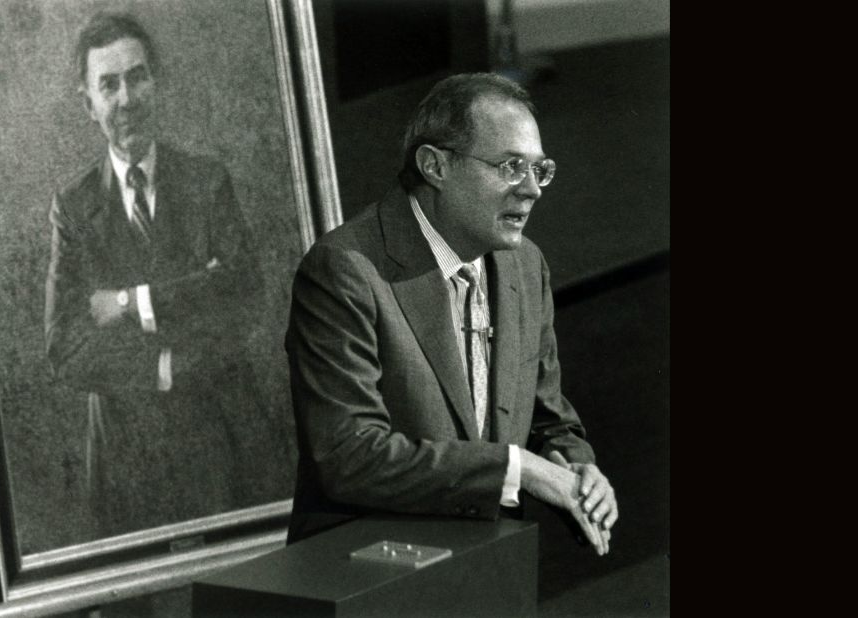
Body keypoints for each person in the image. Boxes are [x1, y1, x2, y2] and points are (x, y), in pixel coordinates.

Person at [285, 72, 618, 555]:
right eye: (509, 167)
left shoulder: (525, 265)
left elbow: (549, 419)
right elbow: (351, 456)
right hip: (370, 575)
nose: (532, 190)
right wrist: (518, 468)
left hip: (483, 570)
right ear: (434, 166)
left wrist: (574, 465)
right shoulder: (345, 270)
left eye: (538, 169)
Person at [44, 11, 274, 536]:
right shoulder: (73, 209)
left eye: (137, 77)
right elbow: (65, 348)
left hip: (223, 437)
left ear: (156, 82)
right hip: (127, 458)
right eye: (109, 85)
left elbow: (244, 298)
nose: (127, 99)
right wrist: (167, 365)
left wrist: (129, 303)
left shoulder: (206, 182)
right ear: (89, 103)